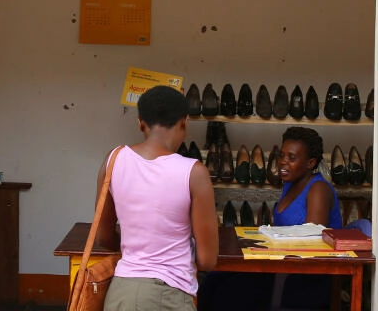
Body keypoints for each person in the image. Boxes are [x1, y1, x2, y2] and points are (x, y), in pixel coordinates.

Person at [96, 85, 218, 311]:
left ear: (140, 122)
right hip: (168, 294)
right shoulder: (194, 172)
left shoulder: (113, 160)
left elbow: (104, 237)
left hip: (120, 291)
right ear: (184, 123)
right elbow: (207, 260)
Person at [198, 127, 342, 311]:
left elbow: (311, 244)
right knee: (215, 278)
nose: (282, 162)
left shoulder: (318, 190)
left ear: (310, 163)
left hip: (303, 277)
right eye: (281, 155)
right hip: (281, 265)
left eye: (291, 158)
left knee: (227, 292)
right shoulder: (291, 183)